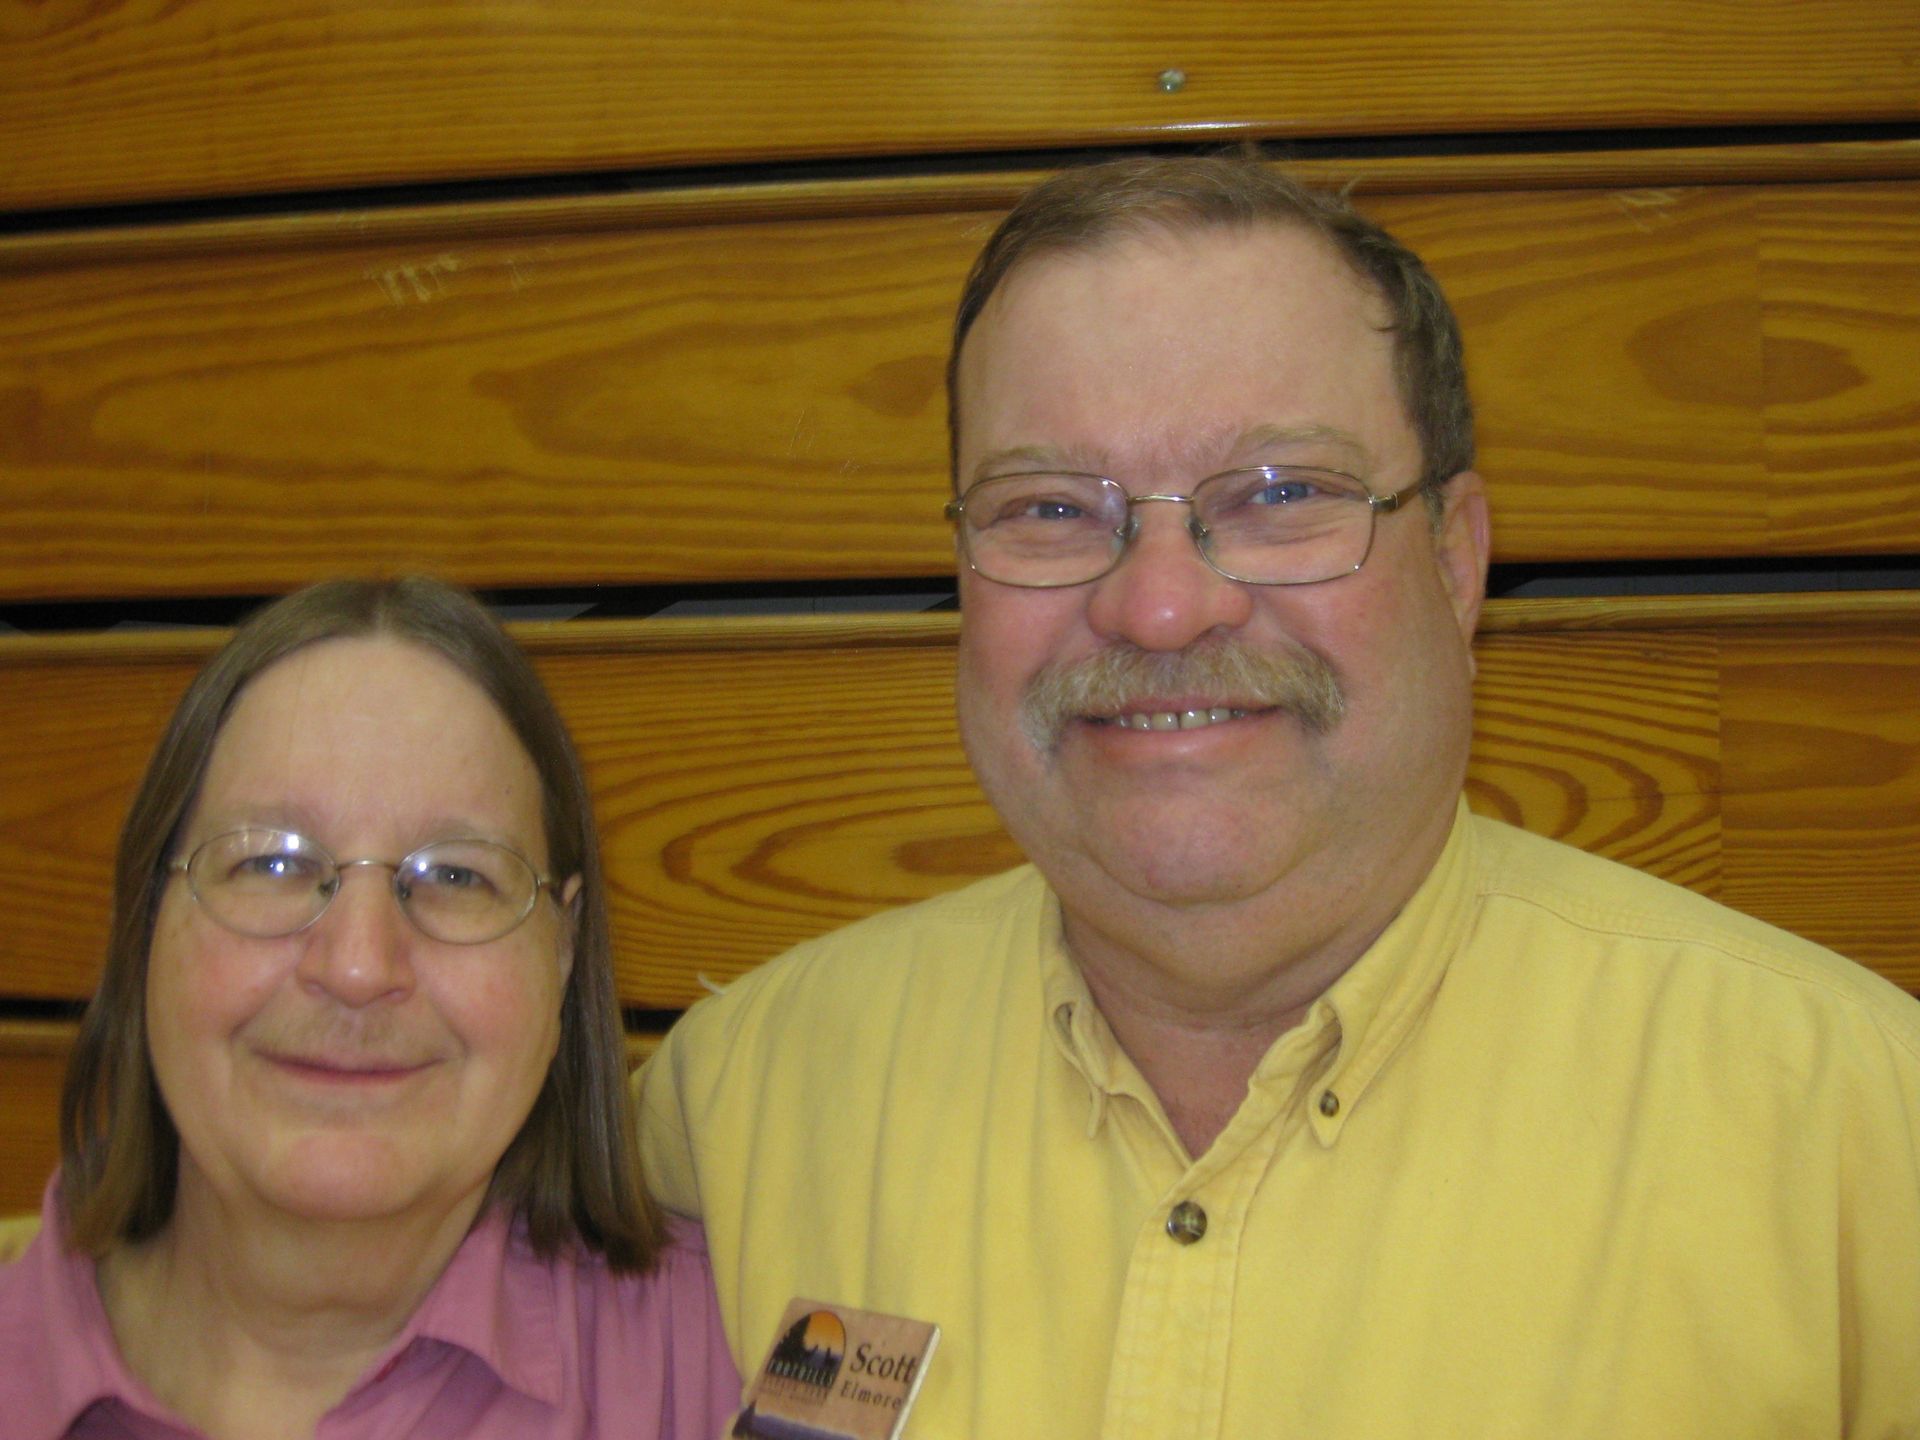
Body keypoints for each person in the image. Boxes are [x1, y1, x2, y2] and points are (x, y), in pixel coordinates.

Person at [637, 157, 1920, 1437]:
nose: (1157, 603)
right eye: (1048, 509)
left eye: (1280, 496)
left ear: (1457, 563)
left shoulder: (1857, 1140)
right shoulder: (743, 1104)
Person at [0, 578, 741, 1439]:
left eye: (458, 875)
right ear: (146, 920)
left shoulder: (729, 1363)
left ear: (564, 954)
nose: (357, 965)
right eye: (271, 862)